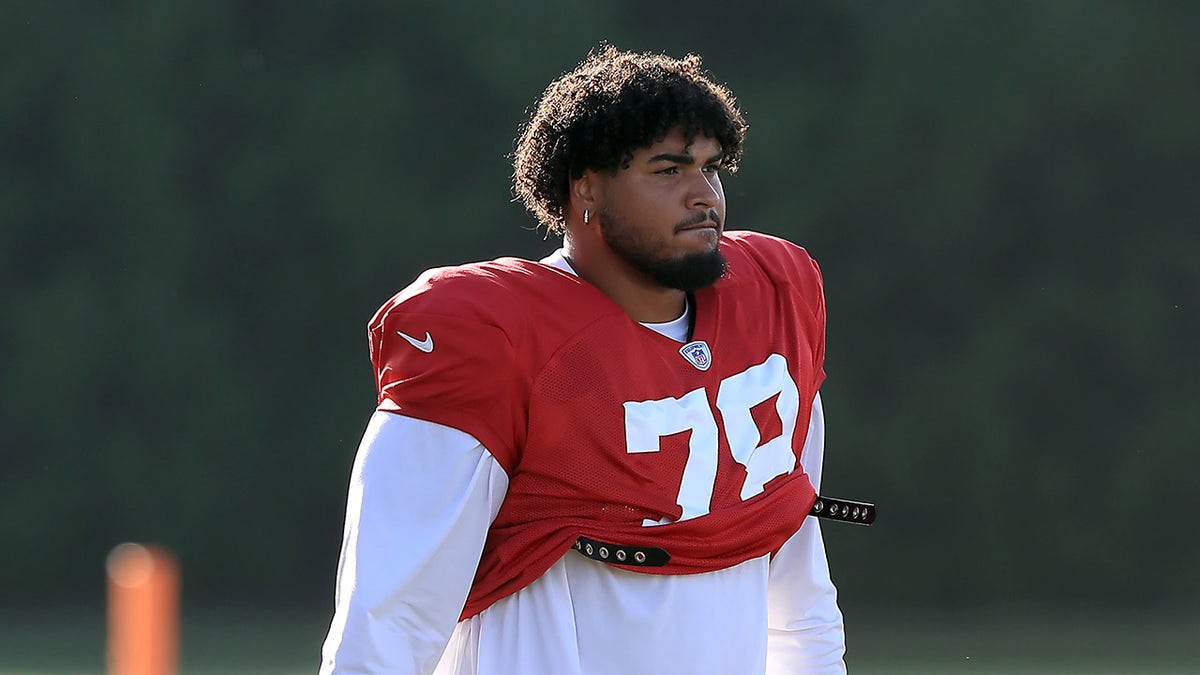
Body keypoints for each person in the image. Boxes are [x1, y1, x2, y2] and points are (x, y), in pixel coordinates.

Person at [320, 45, 868, 675]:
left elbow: (795, 579)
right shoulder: (497, 339)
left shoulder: (771, 305)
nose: (703, 195)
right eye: (667, 170)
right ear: (585, 184)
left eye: (711, 168)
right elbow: (390, 615)